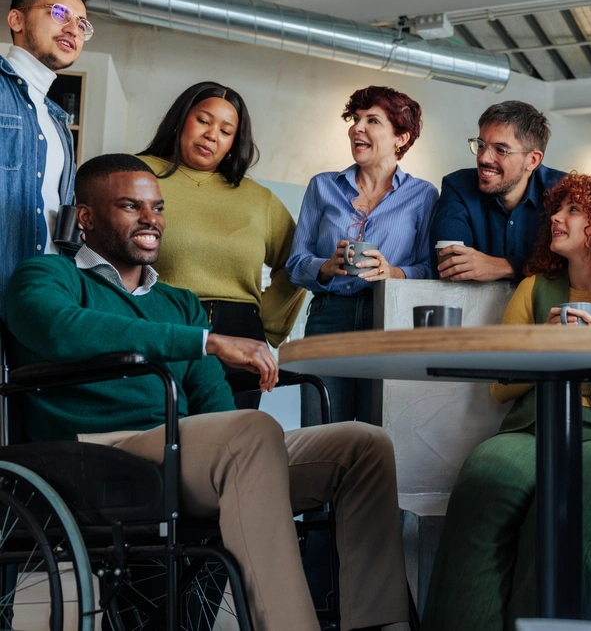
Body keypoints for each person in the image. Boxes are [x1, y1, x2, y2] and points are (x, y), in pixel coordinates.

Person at [4, 154, 409, 631]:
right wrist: (207, 341)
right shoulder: (47, 276)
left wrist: (234, 422)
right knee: (250, 431)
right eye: (131, 206)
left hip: (182, 450)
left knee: (362, 445)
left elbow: (213, 401)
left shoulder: (179, 303)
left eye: (157, 208)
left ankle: (380, 625)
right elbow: (63, 330)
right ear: (86, 217)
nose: (151, 219)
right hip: (99, 453)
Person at [421, 173, 591, 631]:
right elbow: (500, 386)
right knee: (483, 480)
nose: (556, 217)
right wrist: (542, 345)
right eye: (558, 208)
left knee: (568, 504)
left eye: (573, 210)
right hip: (534, 430)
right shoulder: (533, 289)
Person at [138, 81, 306, 408]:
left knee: (232, 436)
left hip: (242, 337)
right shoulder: (137, 174)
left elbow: (297, 263)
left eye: (226, 131)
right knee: (160, 431)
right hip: (163, 326)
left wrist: (264, 323)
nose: (212, 135)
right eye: (203, 120)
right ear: (181, 120)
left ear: (232, 143)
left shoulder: (259, 199)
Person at [286, 85, 437, 425]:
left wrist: (393, 272)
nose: (357, 128)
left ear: (401, 137)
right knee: (321, 433)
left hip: (388, 319)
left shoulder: (423, 195)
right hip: (328, 318)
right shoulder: (322, 186)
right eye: (355, 119)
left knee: (379, 431)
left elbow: (430, 269)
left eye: (372, 120)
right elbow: (295, 264)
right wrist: (326, 266)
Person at [1, 0, 92, 316]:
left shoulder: (57, 122)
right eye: (58, 13)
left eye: (81, 24)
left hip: (39, 306)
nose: (73, 29)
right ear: (17, 19)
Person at [430, 100, 566, 282]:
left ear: (532, 160)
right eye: (481, 145)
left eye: (501, 150)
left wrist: (505, 266)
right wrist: (529, 266)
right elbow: (451, 265)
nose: (484, 158)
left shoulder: (564, 192)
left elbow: (574, 264)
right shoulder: (458, 186)